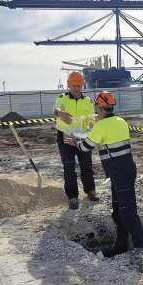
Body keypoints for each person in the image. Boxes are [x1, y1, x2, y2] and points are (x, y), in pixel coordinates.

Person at [66, 91, 143, 257]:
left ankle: (141, 248)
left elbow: (85, 147)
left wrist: (75, 142)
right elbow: (101, 136)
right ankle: (121, 245)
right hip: (124, 171)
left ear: (101, 108)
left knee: (128, 212)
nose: (96, 112)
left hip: (120, 172)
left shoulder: (101, 126)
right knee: (118, 210)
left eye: (97, 109)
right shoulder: (121, 122)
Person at [53, 71, 99, 210]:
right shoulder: (62, 99)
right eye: (74, 85)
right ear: (68, 85)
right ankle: (73, 197)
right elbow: (56, 108)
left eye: (79, 85)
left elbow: (91, 120)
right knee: (69, 168)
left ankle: (90, 191)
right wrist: (60, 113)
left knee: (87, 166)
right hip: (66, 139)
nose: (77, 88)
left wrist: (95, 128)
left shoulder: (87, 101)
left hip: (82, 138)